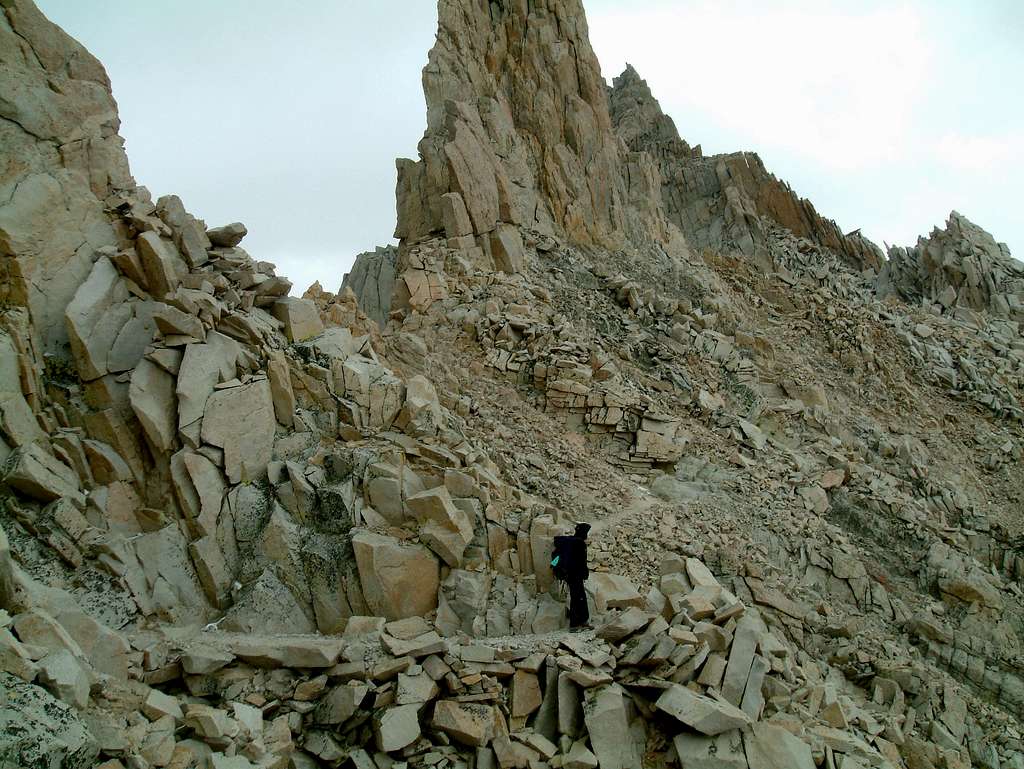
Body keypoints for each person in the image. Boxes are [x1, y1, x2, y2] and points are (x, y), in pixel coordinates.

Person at [553, 522, 591, 630]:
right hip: (576, 575)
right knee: (578, 597)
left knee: (577, 597)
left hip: (569, 574)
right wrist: (584, 573)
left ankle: (580, 622)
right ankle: (576, 624)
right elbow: (581, 562)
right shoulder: (579, 543)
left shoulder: (568, 541)